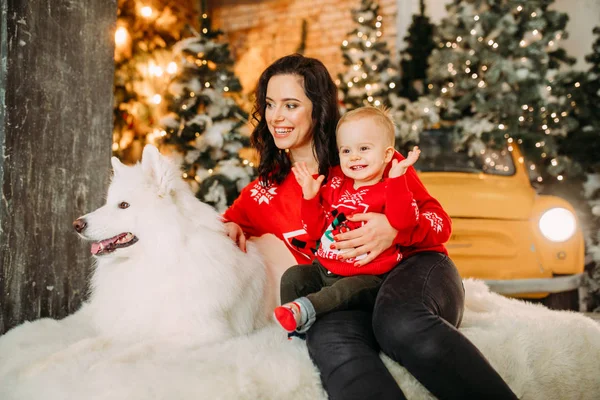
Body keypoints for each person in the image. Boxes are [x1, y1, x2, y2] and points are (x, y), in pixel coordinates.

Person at [222, 54, 518, 400]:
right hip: (347, 290)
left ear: (317, 108)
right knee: (329, 338)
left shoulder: (363, 153)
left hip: (415, 270)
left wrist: (395, 228)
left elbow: (440, 223)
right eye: (270, 104)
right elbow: (226, 220)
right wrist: (226, 229)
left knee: (398, 324)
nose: (276, 117)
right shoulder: (268, 187)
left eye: (290, 104)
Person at [273, 106, 424, 334]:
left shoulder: (390, 188)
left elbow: (405, 221)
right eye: (346, 151)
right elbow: (315, 231)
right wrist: (310, 198)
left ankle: (304, 309)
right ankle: (298, 331)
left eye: (364, 148)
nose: (354, 156)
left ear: (386, 155)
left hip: (367, 276)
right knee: (293, 277)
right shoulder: (337, 186)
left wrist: (396, 180)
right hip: (326, 267)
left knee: (343, 291)